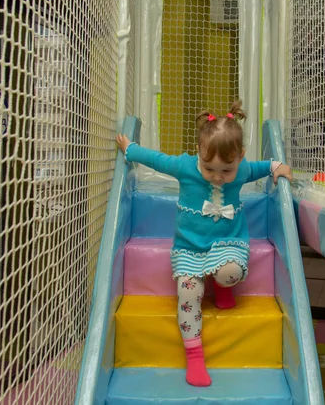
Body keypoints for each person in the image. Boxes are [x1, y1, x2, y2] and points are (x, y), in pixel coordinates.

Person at [116, 100, 293, 387]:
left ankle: (222, 287)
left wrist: (277, 167)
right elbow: (158, 159)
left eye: (227, 170)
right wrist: (131, 149)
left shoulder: (244, 169)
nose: (218, 177)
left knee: (230, 272)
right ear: (199, 153)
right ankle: (195, 357)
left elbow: (263, 167)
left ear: (240, 158)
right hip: (190, 247)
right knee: (188, 293)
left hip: (228, 243)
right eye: (210, 169)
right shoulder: (186, 167)